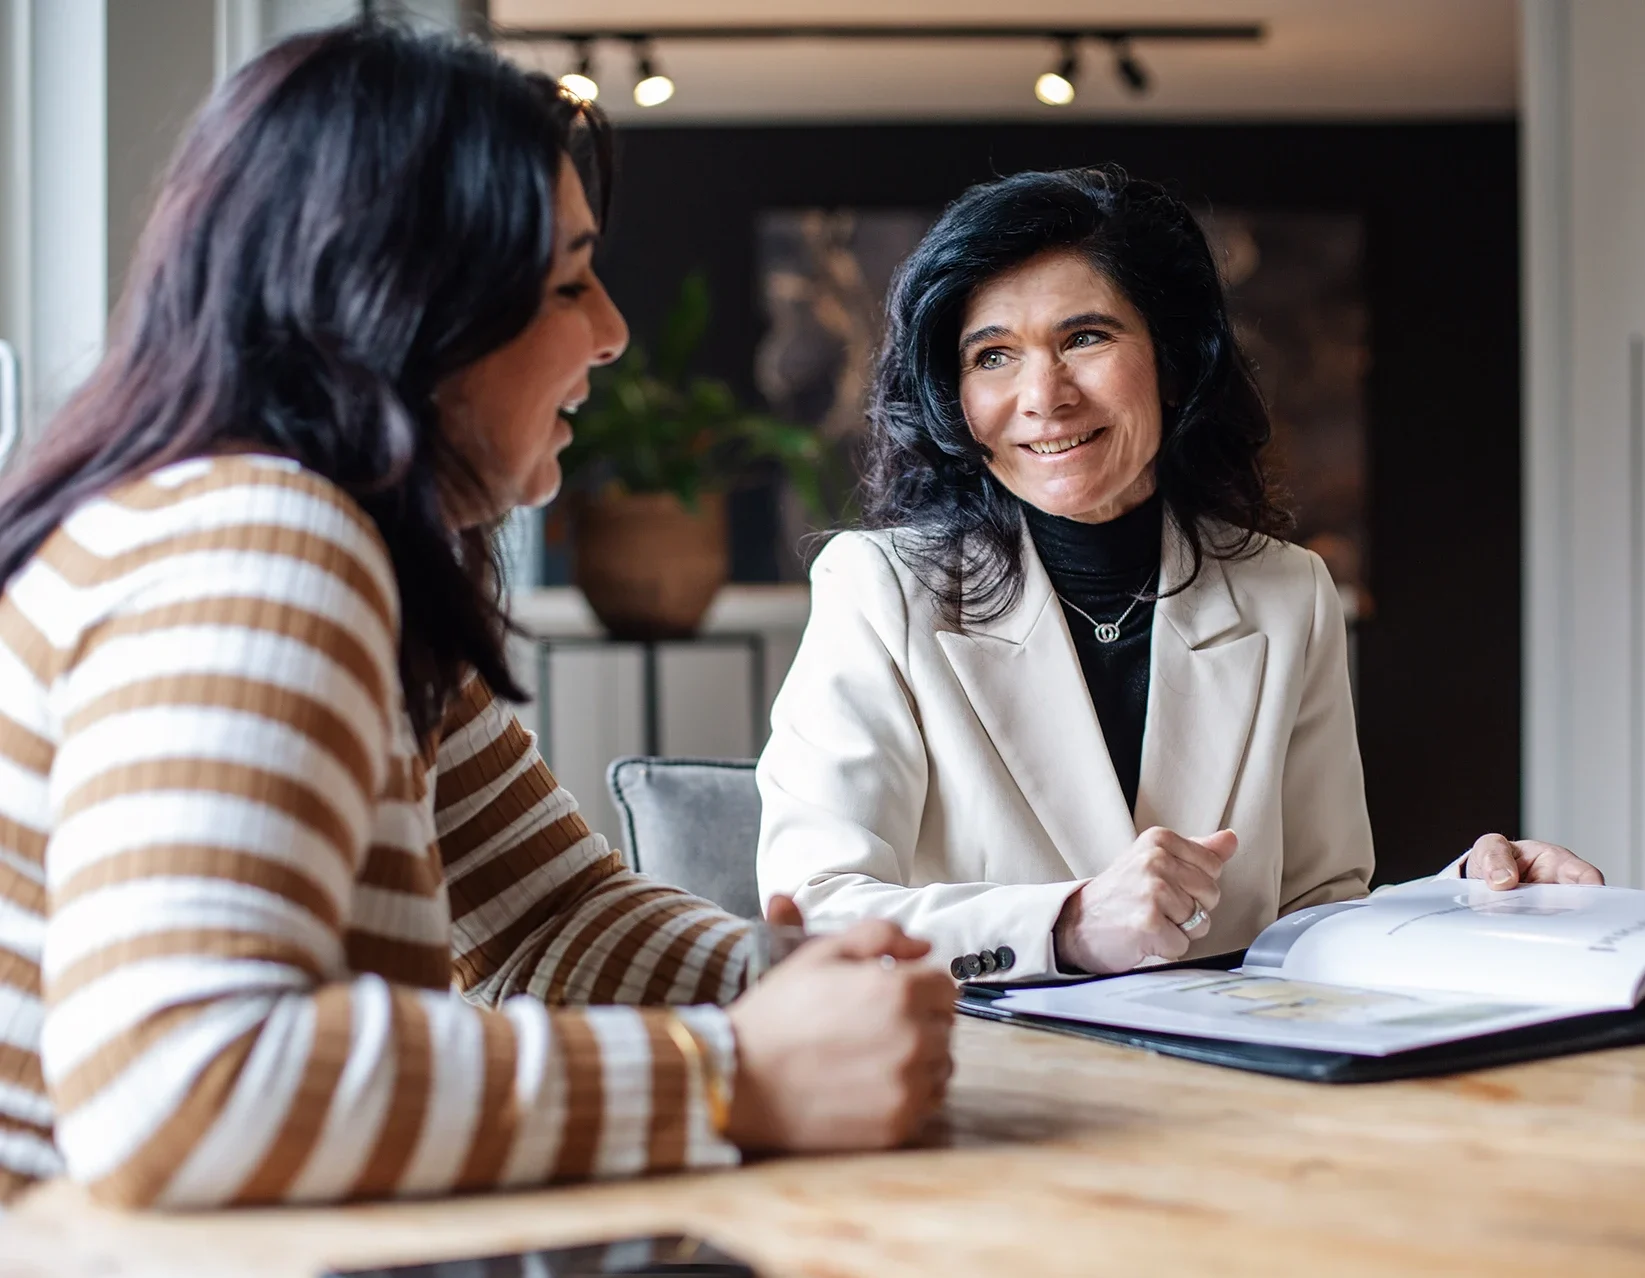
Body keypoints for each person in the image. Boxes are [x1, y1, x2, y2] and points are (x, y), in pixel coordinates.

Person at [0, 23, 954, 1209]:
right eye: (566, 283)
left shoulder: (337, 550)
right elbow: (179, 1081)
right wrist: (732, 1072)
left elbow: (545, 916)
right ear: (398, 309)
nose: (610, 331)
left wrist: (780, 974)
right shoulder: (259, 543)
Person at [755, 166, 1602, 983]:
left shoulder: (1287, 593)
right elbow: (814, 910)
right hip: (989, 1078)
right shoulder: (879, 590)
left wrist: (1465, 902)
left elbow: (1316, 911)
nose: (1043, 396)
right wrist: (1068, 923)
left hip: (1226, 1083)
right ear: (953, 393)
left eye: (1083, 338)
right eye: (992, 356)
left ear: (1173, 356)